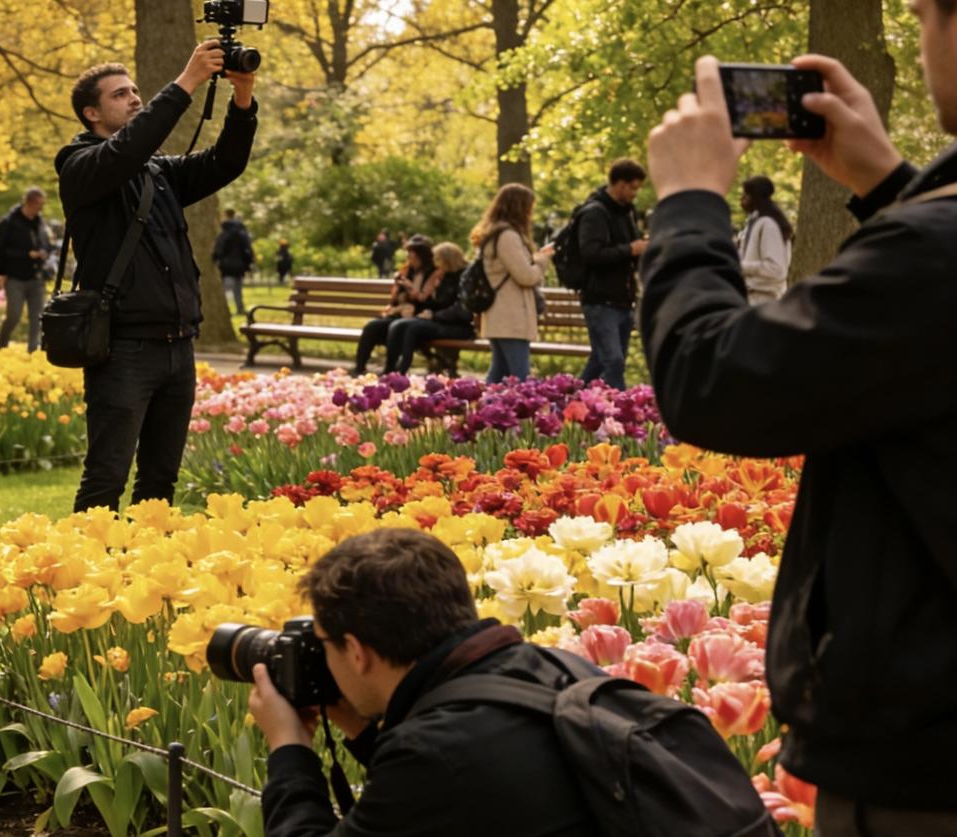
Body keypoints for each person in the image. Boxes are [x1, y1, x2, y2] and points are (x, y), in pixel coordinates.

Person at [640, 2, 957, 828]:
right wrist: (892, 185)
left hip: (924, 759)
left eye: (926, 14)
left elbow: (710, 377)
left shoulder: (933, 256)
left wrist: (687, 205)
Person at [249, 528, 598, 836]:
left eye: (322, 643)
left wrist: (288, 747)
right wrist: (361, 730)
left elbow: (442, 767)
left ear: (356, 651)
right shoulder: (563, 670)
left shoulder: (432, 752)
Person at [55, 44, 257, 514]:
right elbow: (128, 148)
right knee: (106, 475)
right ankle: (83, 575)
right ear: (92, 113)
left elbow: (224, 163)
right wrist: (186, 82)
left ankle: (147, 571)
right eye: (120, 94)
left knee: (161, 478)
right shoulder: (78, 165)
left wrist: (242, 98)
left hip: (178, 347)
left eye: (136, 91)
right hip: (124, 350)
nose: (134, 99)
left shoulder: (156, 173)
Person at [472, 184, 554, 383]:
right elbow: (526, 276)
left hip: (500, 314)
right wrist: (543, 259)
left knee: (499, 372)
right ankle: (517, 412)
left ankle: (483, 410)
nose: (530, 214)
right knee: (520, 376)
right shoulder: (507, 236)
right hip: (510, 315)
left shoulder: (495, 234)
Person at [578, 159, 647, 390]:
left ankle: (569, 402)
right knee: (613, 361)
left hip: (623, 299)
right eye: (633, 187)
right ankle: (622, 413)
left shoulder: (627, 213)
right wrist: (629, 249)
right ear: (619, 184)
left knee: (601, 360)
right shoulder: (595, 212)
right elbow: (590, 254)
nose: (635, 193)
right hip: (600, 300)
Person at [382, 242, 473, 374]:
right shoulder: (445, 275)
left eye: (437, 259)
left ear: (447, 260)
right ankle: (389, 371)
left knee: (413, 328)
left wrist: (434, 315)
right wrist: (426, 305)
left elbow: (462, 310)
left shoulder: (465, 277)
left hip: (459, 326)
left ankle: (401, 373)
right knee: (397, 325)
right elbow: (439, 303)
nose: (435, 263)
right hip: (440, 320)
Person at [351, 235, 435, 376]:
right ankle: (359, 368)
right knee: (372, 326)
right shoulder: (407, 271)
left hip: (418, 316)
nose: (409, 257)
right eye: (408, 253)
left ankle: (390, 370)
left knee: (395, 327)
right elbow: (394, 300)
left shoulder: (432, 273)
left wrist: (410, 288)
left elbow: (428, 301)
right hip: (399, 313)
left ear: (422, 255)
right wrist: (398, 291)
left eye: (412, 254)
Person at [0, 187, 51, 352]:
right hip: (15, 277)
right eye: (39, 205)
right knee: (14, 316)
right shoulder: (9, 222)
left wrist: (44, 252)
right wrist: (25, 255)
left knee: (37, 316)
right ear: (29, 202)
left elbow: (47, 243)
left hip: (36, 276)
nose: (40, 209)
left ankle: (33, 349)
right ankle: (1, 346)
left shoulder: (39, 222)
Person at [736, 176, 794, 304]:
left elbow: (775, 269)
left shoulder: (768, 225)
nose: (742, 198)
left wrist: (739, 266)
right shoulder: (754, 223)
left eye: (746, 194)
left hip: (765, 301)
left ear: (754, 197)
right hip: (750, 299)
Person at [213, 208, 253, 315]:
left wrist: (215, 259)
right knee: (237, 290)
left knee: (227, 289)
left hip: (226, 266)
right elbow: (248, 249)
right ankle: (240, 309)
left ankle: (226, 311)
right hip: (240, 266)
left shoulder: (224, 233)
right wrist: (248, 264)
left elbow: (218, 249)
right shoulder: (242, 232)